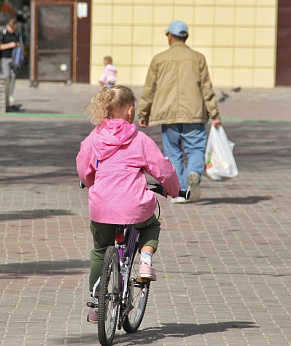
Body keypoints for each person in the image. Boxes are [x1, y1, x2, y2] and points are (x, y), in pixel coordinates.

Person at [76, 85, 180, 323]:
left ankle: (96, 302)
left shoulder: (93, 139)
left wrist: (91, 182)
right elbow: (162, 168)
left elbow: (84, 169)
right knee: (151, 225)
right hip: (135, 206)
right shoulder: (140, 140)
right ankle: (145, 261)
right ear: (130, 111)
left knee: (101, 251)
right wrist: (173, 189)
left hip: (102, 207)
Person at [138, 20, 222, 204]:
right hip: (194, 112)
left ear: (170, 37)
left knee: (173, 152)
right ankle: (194, 171)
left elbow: (149, 88)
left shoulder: (159, 59)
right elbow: (206, 88)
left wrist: (143, 113)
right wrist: (214, 114)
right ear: (186, 37)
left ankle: (181, 192)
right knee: (196, 148)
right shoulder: (198, 58)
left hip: (167, 114)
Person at [0, 18, 22, 104]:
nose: (12, 30)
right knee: (6, 76)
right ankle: (5, 94)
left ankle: (10, 94)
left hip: (14, 59)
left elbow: (20, 44)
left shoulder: (16, 34)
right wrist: (10, 45)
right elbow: (0, 46)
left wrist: (17, 45)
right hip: (5, 57)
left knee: (13, 76)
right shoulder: (3, 34)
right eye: (11, 28)